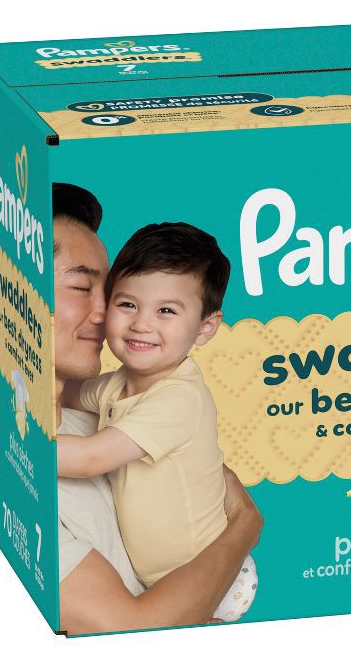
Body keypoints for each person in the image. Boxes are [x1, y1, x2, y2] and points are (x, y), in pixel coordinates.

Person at [53, 183, 262, 635]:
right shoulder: (116, 388)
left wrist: (24, 439)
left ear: (205, 328)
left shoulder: (178, 398)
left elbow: (89, 457)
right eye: (127, 303)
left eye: (166, 311)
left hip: (208, 572)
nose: (140, 323)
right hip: (167, 580)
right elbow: (74, 395)